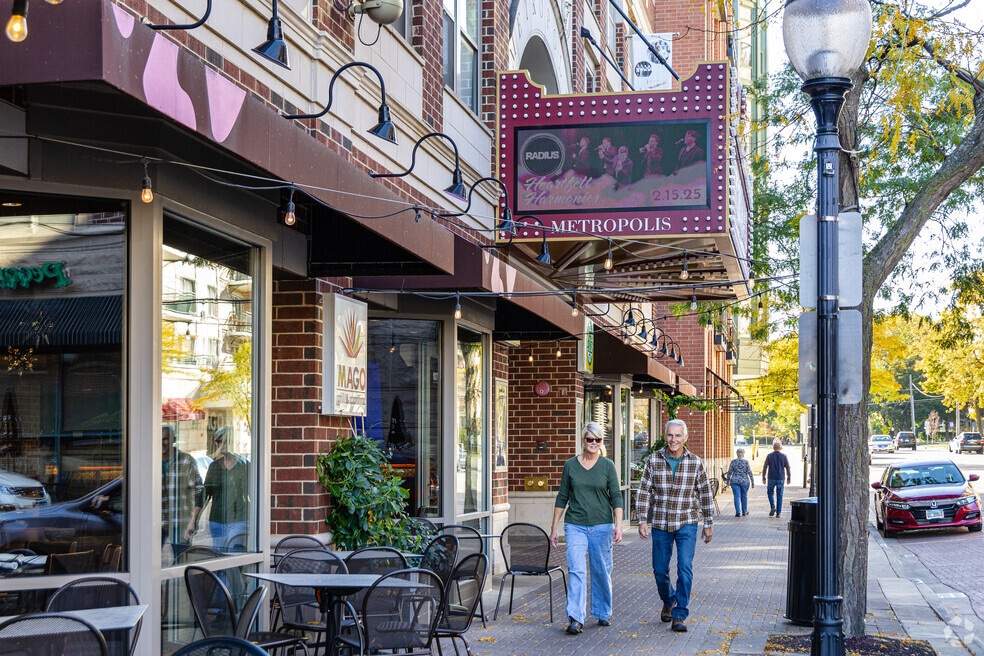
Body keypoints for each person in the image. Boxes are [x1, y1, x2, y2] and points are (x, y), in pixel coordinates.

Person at [635, 419, 714, 633]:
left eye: (678, 435)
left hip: (687, 522)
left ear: (685, 438)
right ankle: (668, 600)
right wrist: (642, 519)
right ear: (665, 436)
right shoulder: (653, 460)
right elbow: (643, 491)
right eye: (670, 435)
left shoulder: (695, 463)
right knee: (660, 570)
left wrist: (708, 523)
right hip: (660, 522)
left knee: (684, 568)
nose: (674, 439)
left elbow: (705, 495)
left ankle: (679, 614)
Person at [549, 422, 624, 635]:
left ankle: (602, 612)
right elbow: (562, 496)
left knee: (601, 571)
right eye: (589, 439)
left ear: (601, 442)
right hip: (575, 525)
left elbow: (616, 496)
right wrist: (554, 528)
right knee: (576, 570)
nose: (593, 443)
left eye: (597, 439)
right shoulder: (570, 465)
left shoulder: (607, 466)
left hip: (602, 525)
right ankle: (575, 618)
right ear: (583, 440)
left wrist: (618, 525)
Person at [192, 427, 250, 550]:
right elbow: (204, 494)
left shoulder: (244, 465)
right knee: (219, 556)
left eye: (225, 440)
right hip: (217, 521)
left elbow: (254, 493)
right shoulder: (214, 467)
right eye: (218, 441)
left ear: (232, 441)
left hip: (238, 519)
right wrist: (193, 520)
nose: (221, 444)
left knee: (234, 552)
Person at [162, 424, 202, 560]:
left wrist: (193, 521)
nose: (162, 443)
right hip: (155, 522)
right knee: (147, 563)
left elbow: (199, 491)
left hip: (180, 522)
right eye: (159, 439)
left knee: (182, 561)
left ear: (174, 439)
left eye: (165, 439)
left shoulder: (186, 460)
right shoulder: (149, 461)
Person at [762, 439, 792, 518]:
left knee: (770, 493)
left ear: (773, 448)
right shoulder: (784, 456)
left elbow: (765, 467)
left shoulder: (769, 456)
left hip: (771, 477)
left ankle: (772, 506)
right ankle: (778, 513)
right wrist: (789, 477)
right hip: (780, 477)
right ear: (780, 448)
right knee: (780, 495)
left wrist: (763, 477)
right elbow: (788, 467)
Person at [726, 447, 754, 517]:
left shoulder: (733, 462)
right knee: (744, 496)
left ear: (737, 454)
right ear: (743, 454)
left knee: (736, 496)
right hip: (744, 481)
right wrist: (752, 481)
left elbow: (730, 472)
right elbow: (749, 472)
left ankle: (738, 512)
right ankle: (744, 511)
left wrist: (728, 480)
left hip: (734, 481)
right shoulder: (746, 462)